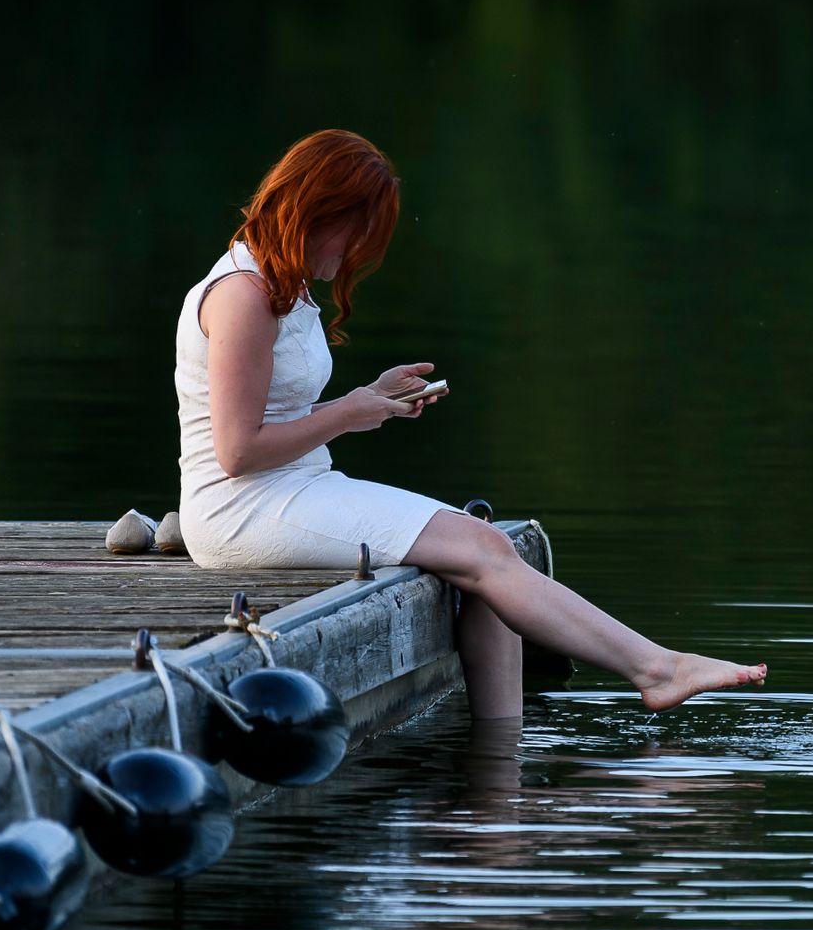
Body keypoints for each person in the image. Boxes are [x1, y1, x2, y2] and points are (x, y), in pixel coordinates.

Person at [175, 129, 766, 719]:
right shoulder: (242, 296)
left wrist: (371, 400)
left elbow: (284, 415)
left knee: (487, 552)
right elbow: (237, 451)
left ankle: (501, 756)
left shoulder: (285, 283)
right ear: (318, 210)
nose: (357, 249)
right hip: (240, 508)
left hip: (297, 485)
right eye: (357, 230)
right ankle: (656, 669)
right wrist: (350, 410)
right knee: (481, 548)